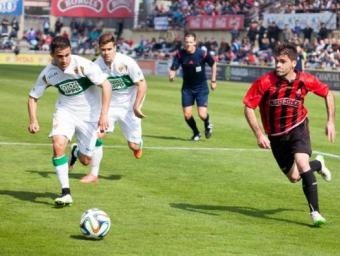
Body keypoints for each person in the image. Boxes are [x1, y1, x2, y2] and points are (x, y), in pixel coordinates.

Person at [243, 43, 336, 226]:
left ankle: (315, 213)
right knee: (294, 177)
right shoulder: (265, 82)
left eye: (282, 61)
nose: (277, 65)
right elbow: (248, 106)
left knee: (302, 163)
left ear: (293, 63)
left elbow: (328, 94)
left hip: (298, 127)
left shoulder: (305, 80)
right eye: (276, 61)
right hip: (276, 137)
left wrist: (330, 120)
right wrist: (259, 134)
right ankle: (318, 164)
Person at [27, 36, 112, 206]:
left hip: (90, 115)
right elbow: (33, 97)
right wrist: (33, 120)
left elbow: (106, 85)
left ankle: (76, 151)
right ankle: (65, 192)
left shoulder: (84, 65)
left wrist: (104, 114)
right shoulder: (48, 73)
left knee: (85, 160)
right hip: (65, 111)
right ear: (52, 54)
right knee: (58, 144)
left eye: (67, 55)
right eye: (59, 56)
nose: (64, 60)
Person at [70, 32, 147, 183]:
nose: (106, 53)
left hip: (129, 106)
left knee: (133, 145)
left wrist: (137, 106)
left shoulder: (127, 62)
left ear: (115, 48)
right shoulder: (95, 65)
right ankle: (93, 174)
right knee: (98, 135)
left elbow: (142, 84)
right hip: (108, 106)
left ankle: (138, 145)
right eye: (103, 50)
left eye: (109, 49)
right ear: (99, 49)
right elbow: (87, 86)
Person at [169, 32, 217, 141]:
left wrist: (213, 80)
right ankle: (196, 132)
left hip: (201, 87)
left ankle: (207, 123)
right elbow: (174, 66)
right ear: (184, 42)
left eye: (191, 42)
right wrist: (172, 73)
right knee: (187, 115)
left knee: (202, 115)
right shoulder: (180, 54)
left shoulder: (202, 54)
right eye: (186, 42)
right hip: (187, 88)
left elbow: (213, 64)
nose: (188, 44)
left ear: (195, 42)